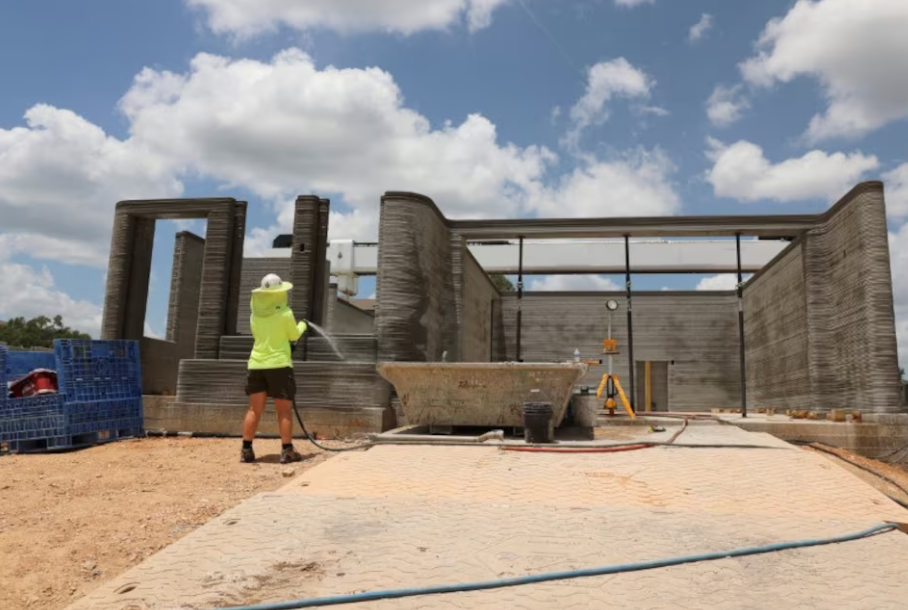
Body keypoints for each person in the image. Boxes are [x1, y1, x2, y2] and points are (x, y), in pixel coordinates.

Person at [241, 273, 308, 464]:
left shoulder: (255, 314)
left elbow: (262, 336)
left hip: (256, 365)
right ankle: (287, 451)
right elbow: (294, 335)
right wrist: (304, 325)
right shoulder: (285, 313)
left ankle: (246, 449)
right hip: (279, 365)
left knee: (254, 409)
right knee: (284, 410)